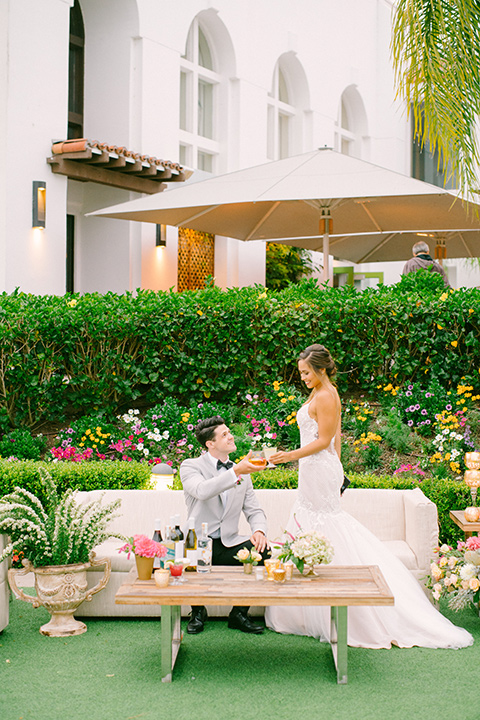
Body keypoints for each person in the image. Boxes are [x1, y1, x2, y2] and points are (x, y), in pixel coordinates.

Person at [266, 344, 473, 649]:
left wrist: (291, 457)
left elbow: (324, 440)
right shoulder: (324, 391)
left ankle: (343, 611)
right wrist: (335, 466)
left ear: (321, 369)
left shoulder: (325, 395)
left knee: (324, 526)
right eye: (301, 373)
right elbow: (335, 438)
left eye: (307, 372)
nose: (304, 378)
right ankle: (309, 611)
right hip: (317, 471)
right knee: (310, 524)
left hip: (317, 467)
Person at [180, 416, 270, 635]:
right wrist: (236, 471)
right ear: (210, 444)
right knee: (190, 554)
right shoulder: (190, 466)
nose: (231, 436)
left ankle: (239, 614)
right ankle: (198, 612)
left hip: (229, 542)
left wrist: (259, 531)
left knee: (262, 551)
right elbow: (202, 490)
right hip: (200, 543)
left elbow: (253, 509)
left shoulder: (241, 471)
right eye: (224, 435)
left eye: (229, 432)